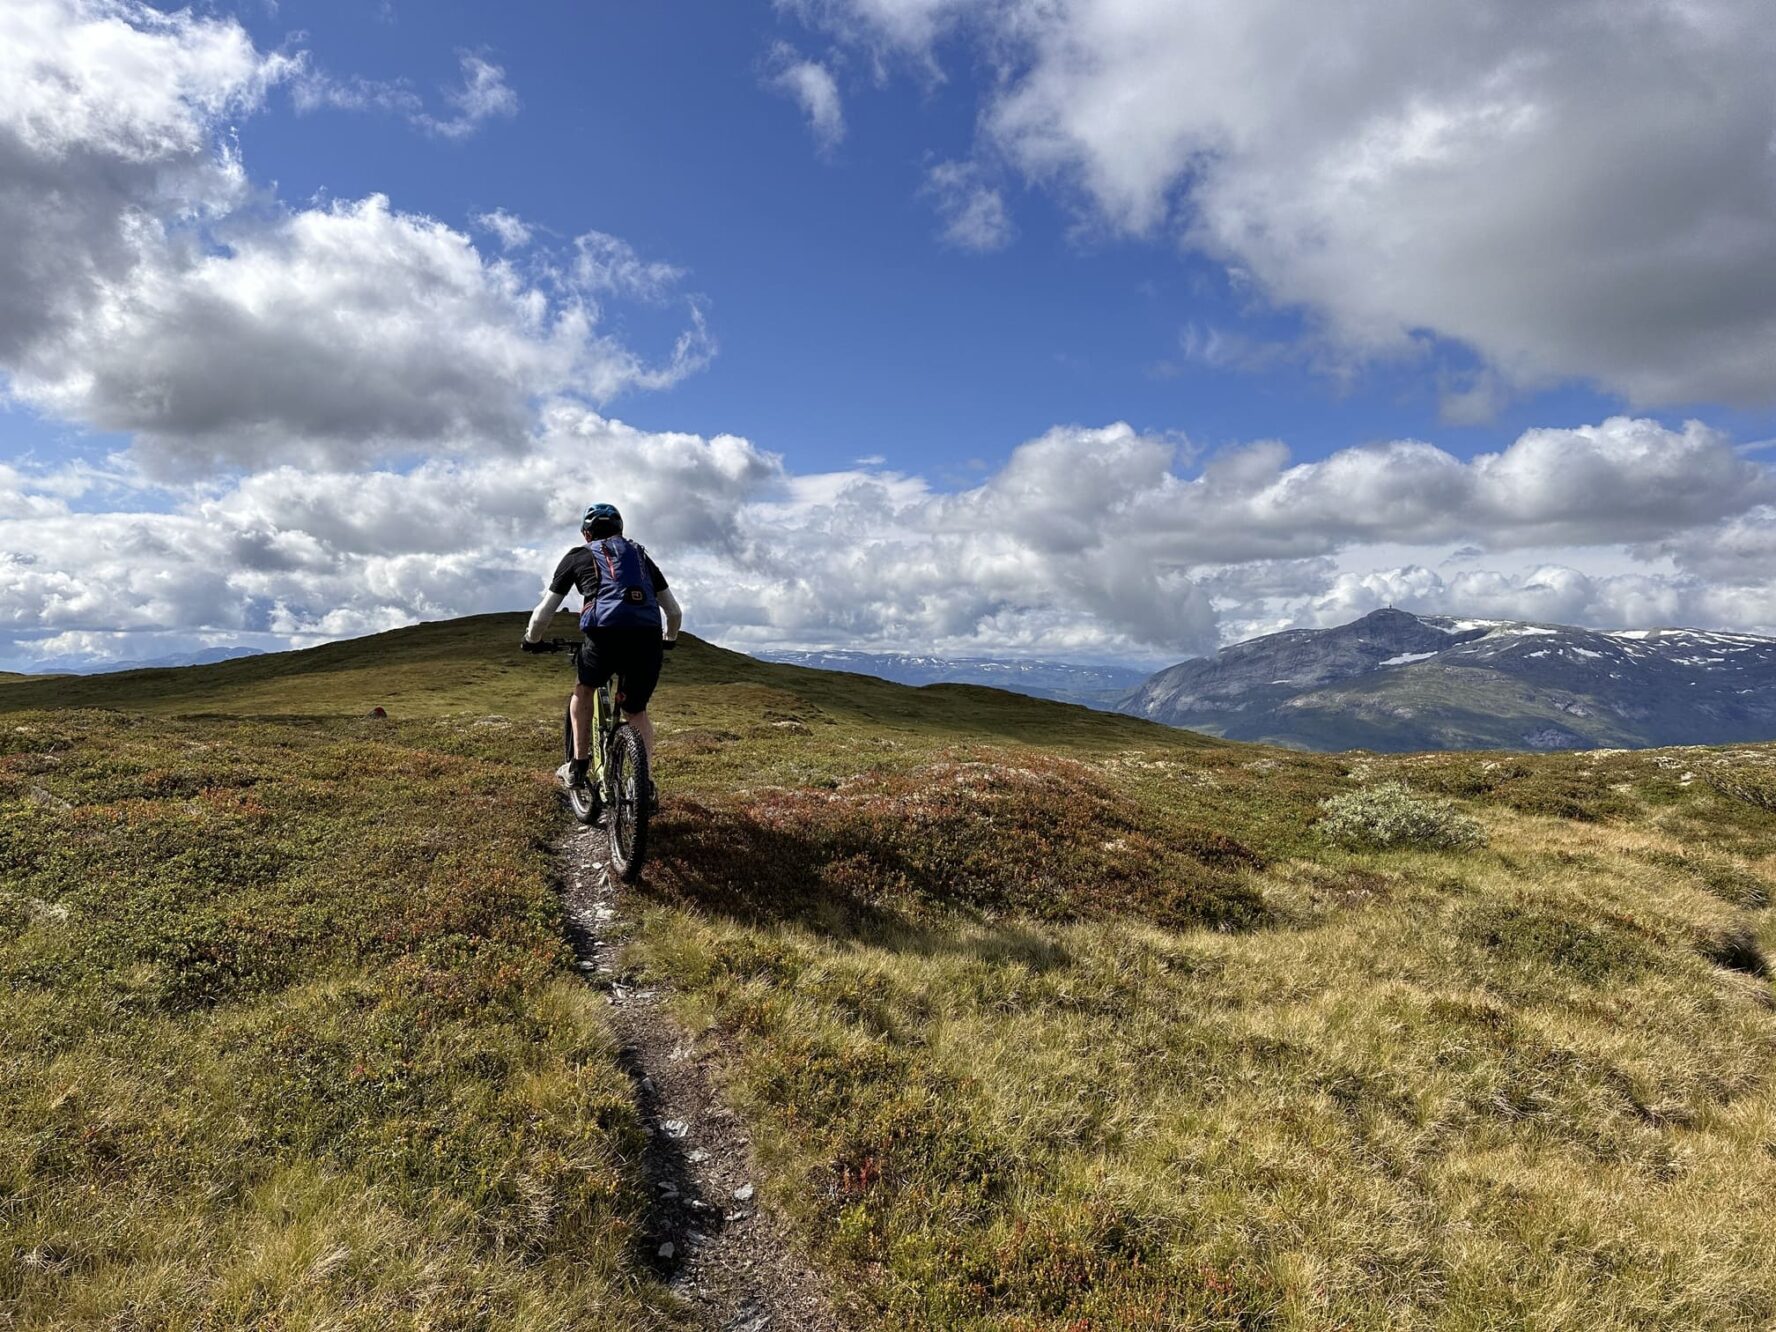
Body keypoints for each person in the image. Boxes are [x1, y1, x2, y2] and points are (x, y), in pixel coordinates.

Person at [521, 503, 682, 793]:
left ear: (586, 534)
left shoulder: (578, 556)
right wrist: (669, 639)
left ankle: (578, 766)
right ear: (621, 531)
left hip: (604, 636)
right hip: (647, 638)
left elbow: (545, 611)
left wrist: (531, 639)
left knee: (584, 690)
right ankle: (643, 784)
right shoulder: (640, 556)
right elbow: (674, 611)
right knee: (636, 711)